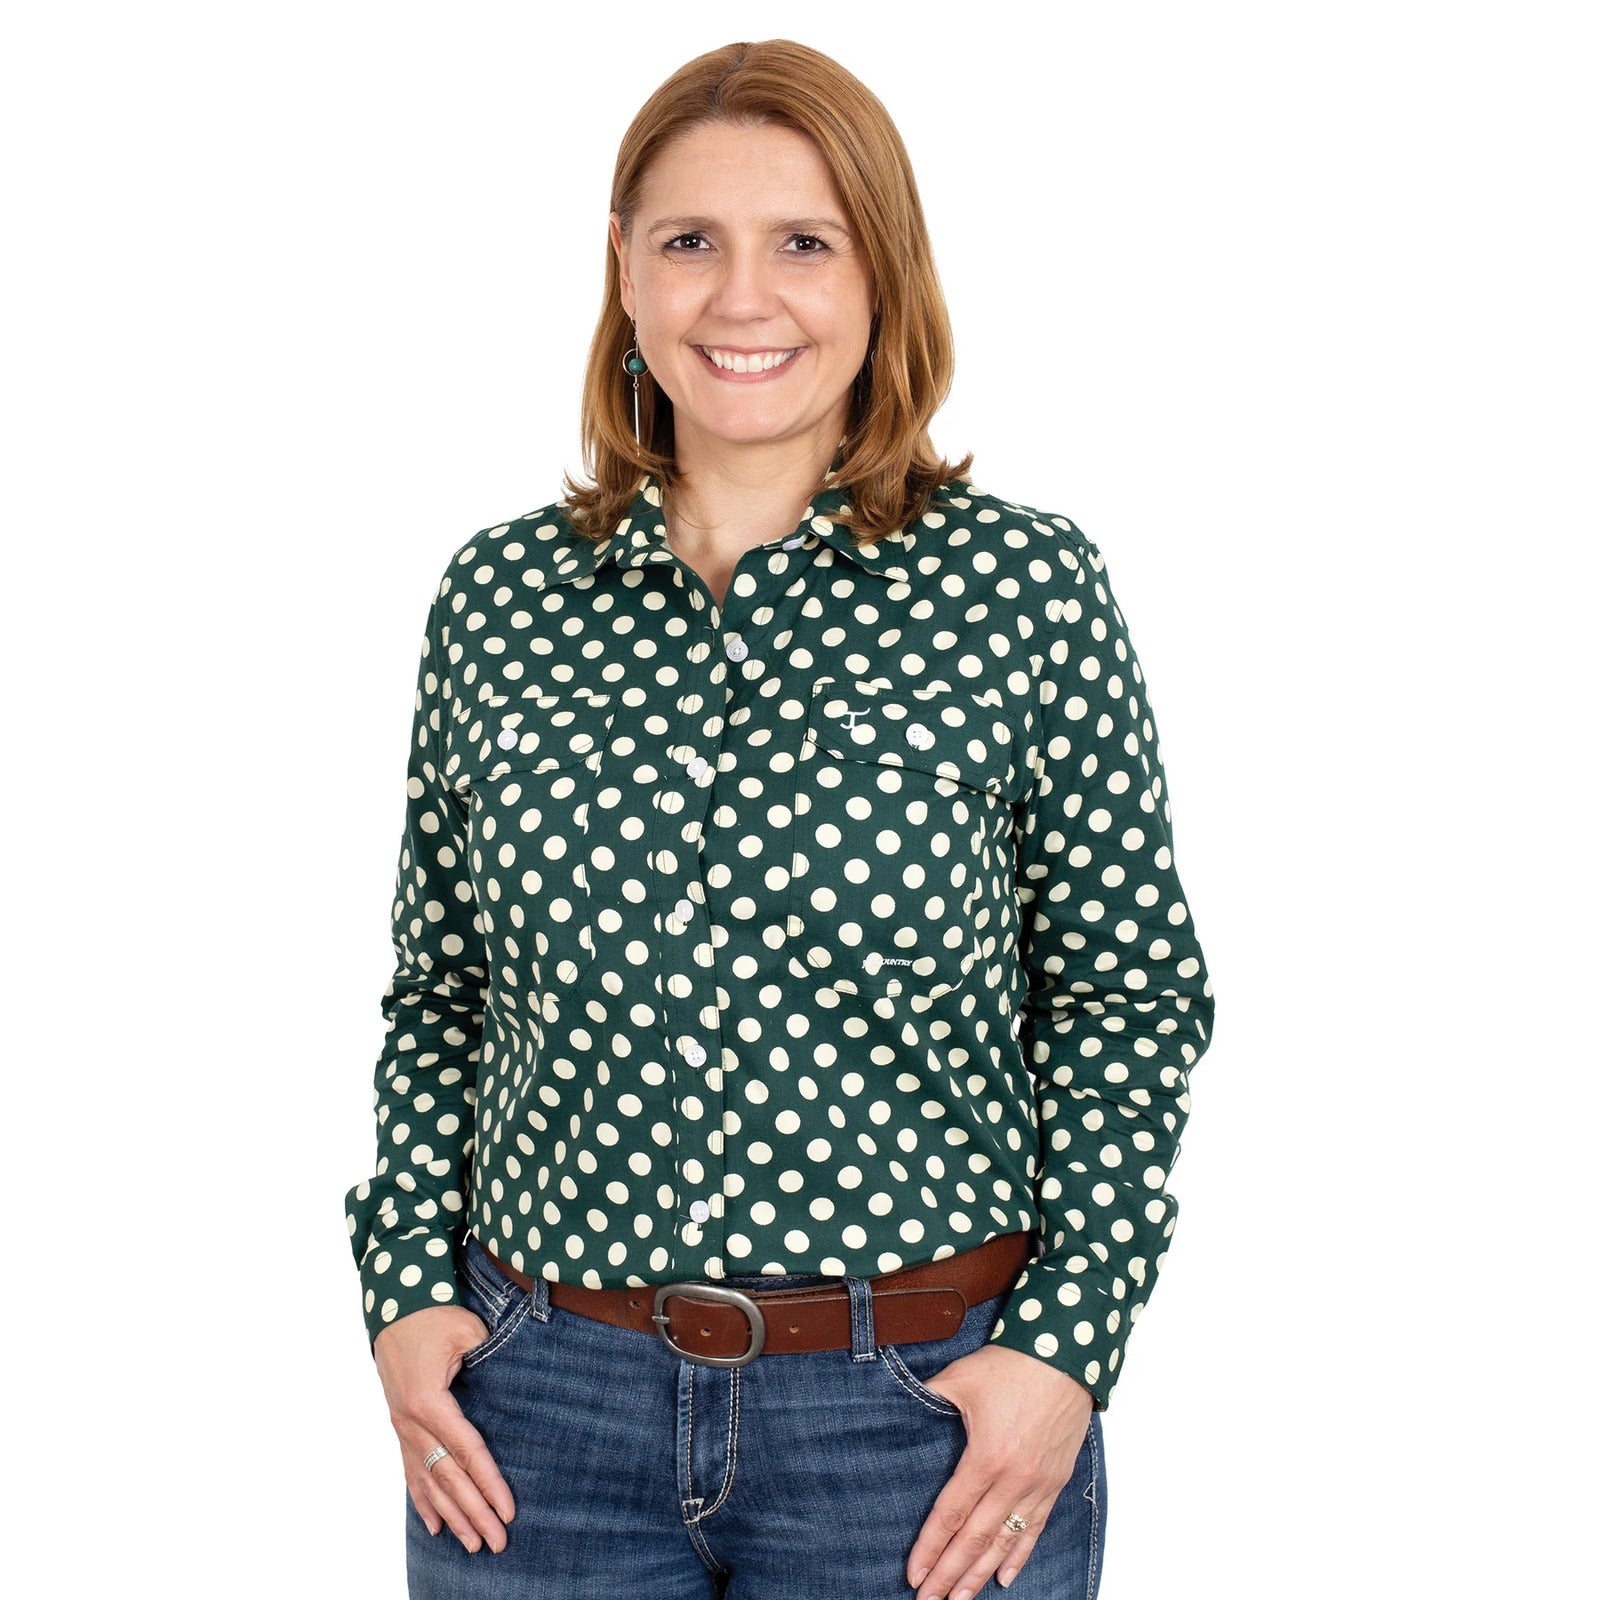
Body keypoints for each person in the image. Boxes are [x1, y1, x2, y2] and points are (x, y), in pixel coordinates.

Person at [343, 37, 1216, 1600]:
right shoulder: (500, 597)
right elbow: (444, 995)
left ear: (883, 273)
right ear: (625, 268)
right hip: (535, 1417)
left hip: (916, 1428)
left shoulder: (1021, 589)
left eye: (804, 242)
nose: (742, 298)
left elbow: (1124, 998)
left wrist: (1065, 1350)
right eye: (692, 241)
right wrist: (407, 1293)